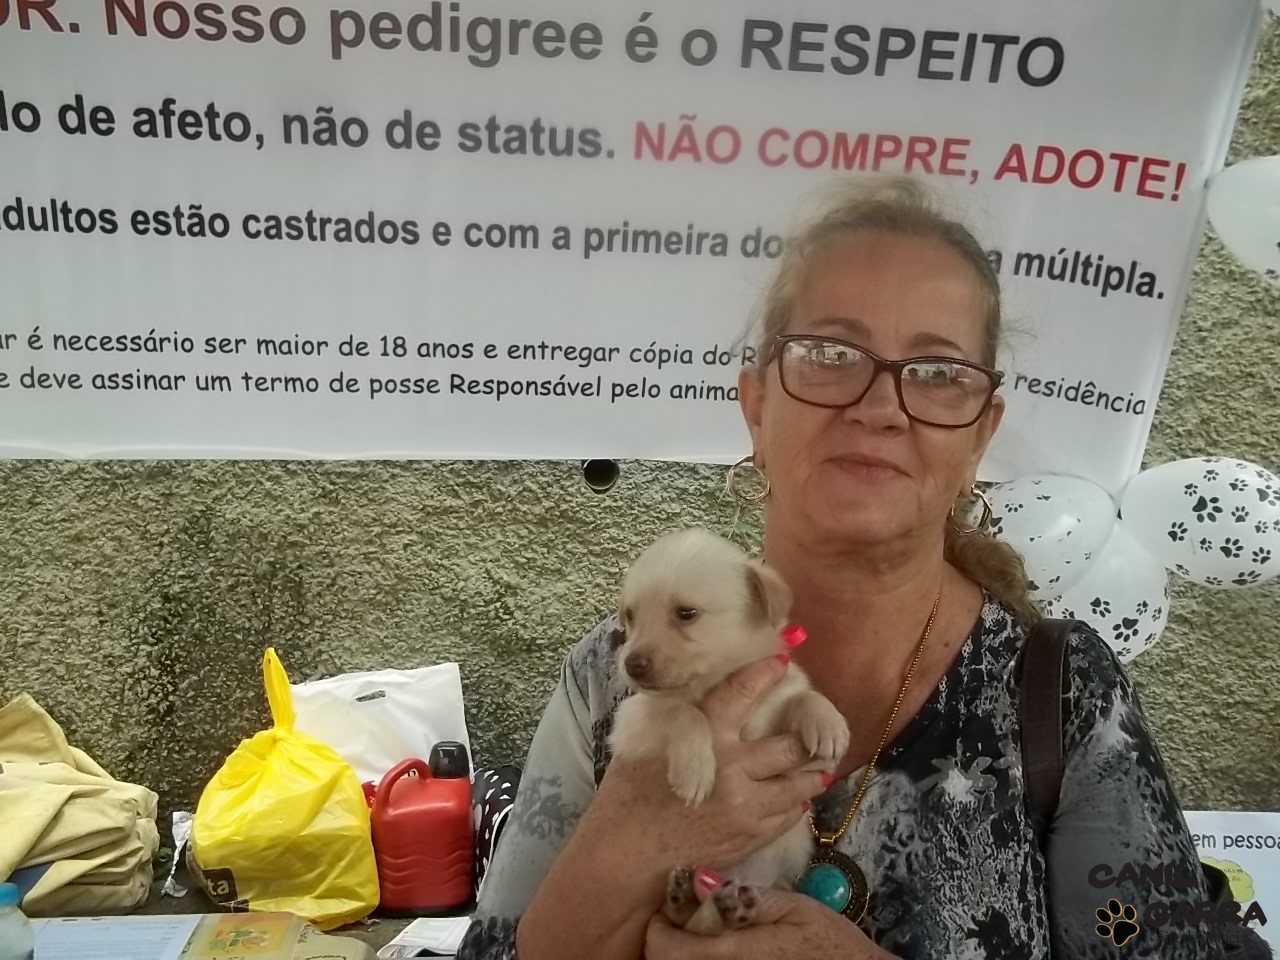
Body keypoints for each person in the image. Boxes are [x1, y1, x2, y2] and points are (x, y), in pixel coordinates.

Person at [456, 175, 1225, 959]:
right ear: (756, 404)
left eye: (938, 372)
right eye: (829, 354)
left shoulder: (1061, 693)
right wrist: (628, 841)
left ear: (979, 436)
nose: (880, 406)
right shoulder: (614, 678)